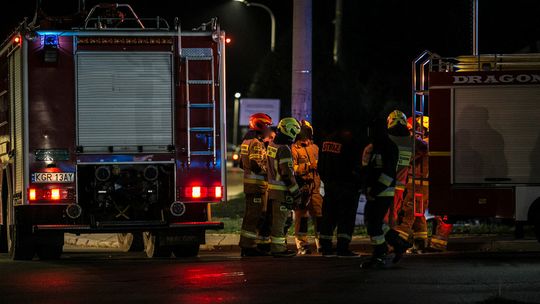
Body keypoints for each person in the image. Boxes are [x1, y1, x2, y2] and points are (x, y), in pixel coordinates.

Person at [361, 111, 414, 268]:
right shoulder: (378, 145)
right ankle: (398, 244)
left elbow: (388, 172)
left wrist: (374, 189)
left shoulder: (387, 146)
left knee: (373, 223)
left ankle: (380, 254)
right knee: (375, 221)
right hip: (380, 190)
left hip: (383, 191)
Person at [318, 125, 363, 257]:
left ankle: (325, 248)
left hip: (330, 186)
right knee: (346, 218)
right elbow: (354, 165)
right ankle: (342, 248)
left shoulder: (325, 141)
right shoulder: (349, 141)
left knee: (328, 217)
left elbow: (321, 165)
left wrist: (326, 180)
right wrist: (357, 182)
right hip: (346, 186)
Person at [266, 117, 302, 257]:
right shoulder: (284, 149)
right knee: (280, 221)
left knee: (278, 220)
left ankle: (277, 246)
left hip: (273, 190)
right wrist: (296, 192)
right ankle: (278, 249)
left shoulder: (273, 145)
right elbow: (287, 174)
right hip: (282, 192)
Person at [393, 116, 429, 252]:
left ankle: (397, 244)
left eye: (414, 129)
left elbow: (409, 157)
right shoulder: (423, 143)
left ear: (423, 130)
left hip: (418, 186)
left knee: (407, 214)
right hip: (418, 185)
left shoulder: (423, 144)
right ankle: (420, 243)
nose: (411, 132)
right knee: (418, 215)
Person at [239, 113, 273, 257]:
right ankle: (248, 248)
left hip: (251, 185)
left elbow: (242, 163)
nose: (269, 129)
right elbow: (254, 163)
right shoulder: (256, 143)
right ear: (260, 125)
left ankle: (249, 246)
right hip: (257, 186)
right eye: (267, 126)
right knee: (254, 216)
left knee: (252, 215)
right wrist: (269, 173)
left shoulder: (246, 141)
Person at [291, 120, 324, 255]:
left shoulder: (315, 148)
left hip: (315, 188)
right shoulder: (293, 149)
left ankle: (321, 243)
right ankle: (302, 245)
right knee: (302, 217)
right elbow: (293, 169)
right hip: (302, 188)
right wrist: (309, 166)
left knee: (319, 215)